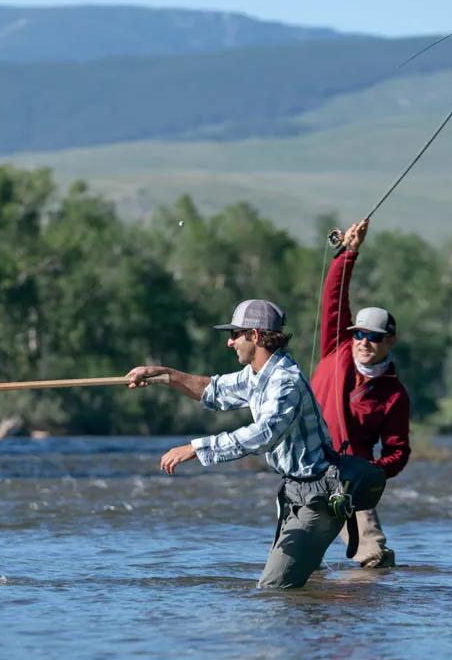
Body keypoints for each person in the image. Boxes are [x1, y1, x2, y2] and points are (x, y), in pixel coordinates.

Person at [126, 298, 343, 589]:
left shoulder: (284, 381)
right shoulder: (257, 375)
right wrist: (162, 375)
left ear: (254, 336)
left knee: (274, 589)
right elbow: (213, 391)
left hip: (317, 496)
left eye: (234, 334)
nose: (229, 343)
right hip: (295, 494)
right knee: (300, 591)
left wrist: (195, 448)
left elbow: (263, 434)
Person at [310, 219, 411, 569]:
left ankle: (363, 619)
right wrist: (350, 252)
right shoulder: (336, 347)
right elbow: (334, 298)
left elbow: (398, 452)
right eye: (359, 335)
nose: (364, 343)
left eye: (374, 337)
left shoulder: (394, 394)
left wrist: (368, 473)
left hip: (350, 482)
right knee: (298, 566)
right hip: (303, 471)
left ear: (389, 342)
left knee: (374, 559)